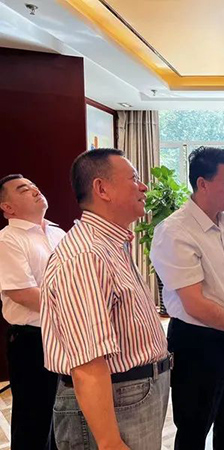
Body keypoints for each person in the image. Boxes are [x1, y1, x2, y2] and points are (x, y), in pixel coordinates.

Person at [40, 149, 170, 450]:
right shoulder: (86, 255)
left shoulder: (110, 244)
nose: (143, 187)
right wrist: (109, 442)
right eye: (134, 178)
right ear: (102, 189)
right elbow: (87, 361)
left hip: (131, 395)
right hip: (116, 399)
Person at [150, 146, 224, 450]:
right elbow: (195, 304)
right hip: (198, 344)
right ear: (202, 183)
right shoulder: (175, 231)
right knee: (193, 429)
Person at [0, 174, 65, 450]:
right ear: (8, 207)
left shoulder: (58, 234)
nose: (35, 190)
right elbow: (23, 293)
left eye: (34, 186)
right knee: (34, 423)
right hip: (33, 340)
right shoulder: (8, 240)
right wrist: (75, 309)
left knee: (63, 416)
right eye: (23, 189)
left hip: (66, 334)